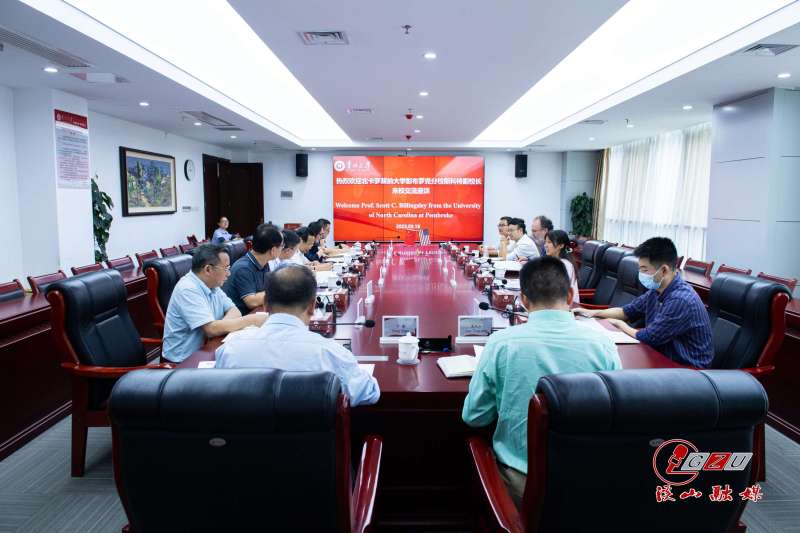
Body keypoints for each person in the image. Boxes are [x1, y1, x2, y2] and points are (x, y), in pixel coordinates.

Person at [462, 256, 621, 508]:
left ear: (524, 300)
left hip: (521, 486)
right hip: (588, 484)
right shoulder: (603, 345)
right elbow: (617, 415)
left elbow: (475, 417)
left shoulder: (501, 344)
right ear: (570, 296)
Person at [215, 264, 380, 406]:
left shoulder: (230, 350)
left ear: (265, 305)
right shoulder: (329, 353)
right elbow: (369, 393)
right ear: (312, 306)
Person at [574, 237, 713, 367]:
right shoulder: (656, 290)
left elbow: (649, 337)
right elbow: (626, 311)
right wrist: (591, 313)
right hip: (663, 357)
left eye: (644, 270)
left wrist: (620, 324)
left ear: (663, 270)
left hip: (689, 370)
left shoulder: (680, 300)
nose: (640, 274)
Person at [162, 243, 267, 363]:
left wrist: (219, 326)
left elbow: (234, 311)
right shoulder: (188, 289)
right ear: (208, 269)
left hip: (208, 348)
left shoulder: (212, 284)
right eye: (225, 268)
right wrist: (251, 320)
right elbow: (210, 330)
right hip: (184, 360)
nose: (229, 273)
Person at [223, 224, 283, 315]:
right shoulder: (243, 268)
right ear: (273, 250)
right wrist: (281, 290)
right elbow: (252, 302)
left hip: (257, 312)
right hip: (242, 318)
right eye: (282, 245)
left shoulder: (264, 262)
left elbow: (267, 289)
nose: (283, 248)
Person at [545, 229, 579, 305]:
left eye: (549, 242)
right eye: (545, 242)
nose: (546, 245)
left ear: (561, 245)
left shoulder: (565, 265)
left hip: (566, 306)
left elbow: (557, 290)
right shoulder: (553, 261)